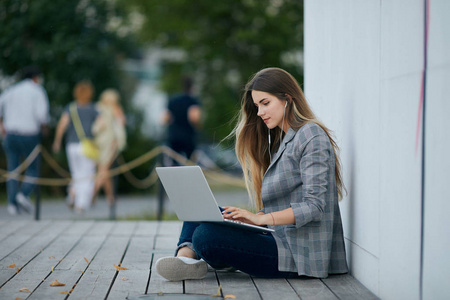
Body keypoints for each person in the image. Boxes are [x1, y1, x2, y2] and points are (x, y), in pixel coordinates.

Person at [155, 67, 348, 281]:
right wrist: (247, 219)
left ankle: (203, 257)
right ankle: (187, 260)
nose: (259, 113)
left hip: (300, 254)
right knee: (200, 213)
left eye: (265, 103)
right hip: (276, 237)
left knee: (205, 236)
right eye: (257, 106)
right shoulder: (282, 140)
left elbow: (315, 206)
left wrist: (259, 218)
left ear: (287, 99)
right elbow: (281, 206)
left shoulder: (311, 135)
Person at [0, 66, 50, 215]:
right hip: (29, 134)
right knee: (33, 167)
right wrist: (45, 129)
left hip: (11, 134)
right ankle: (24, 194)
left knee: (13, 169)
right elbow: (42, 116)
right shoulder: (37, 91)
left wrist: (2, 125)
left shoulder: (12, 90)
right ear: (35, 77)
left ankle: (12, 204)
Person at [52, 80, 98, 213]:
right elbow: (102, 125)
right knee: (87, 174)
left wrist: (57, 141)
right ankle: (81, 204)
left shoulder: (71, 107)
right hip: (87, 145)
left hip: (71, 145)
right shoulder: (93, 109)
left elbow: (62, 125)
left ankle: (72, 195)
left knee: (76, 173)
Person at [91, 89, 126, 208]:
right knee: (104, 170)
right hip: (110, 143)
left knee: (104, 171)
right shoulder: (115, 109)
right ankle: (91, 195)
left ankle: (110, 197)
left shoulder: (97, 107)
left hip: (98, 142)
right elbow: (121, 125)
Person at [162, 76, 202, 163]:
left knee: (174, 163)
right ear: (192, 86)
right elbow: (194, 118)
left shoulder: (173, 100)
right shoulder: (193, 100)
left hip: (174, 136)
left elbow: (165, 119)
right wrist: (198, 126)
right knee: (190, 163)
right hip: (188, 137)